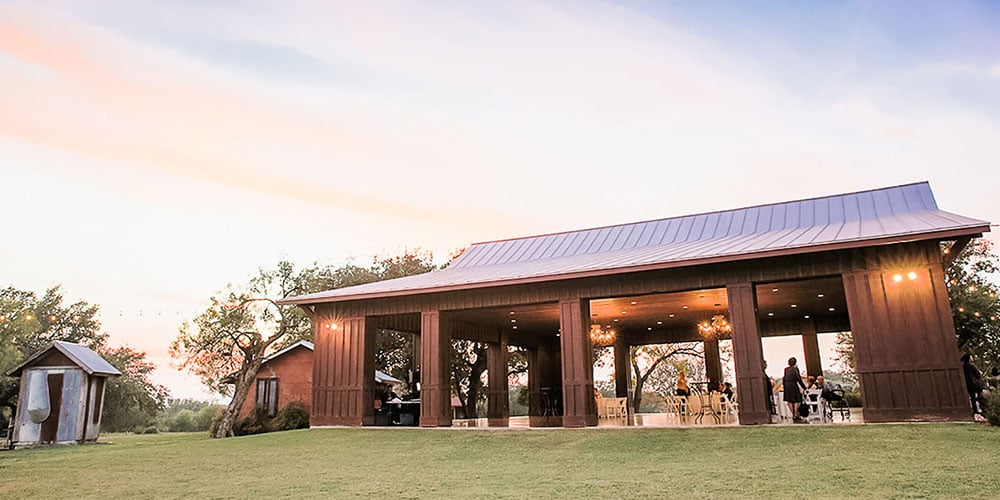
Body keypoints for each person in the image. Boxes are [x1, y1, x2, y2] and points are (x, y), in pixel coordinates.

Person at [783, 357, 807, 423]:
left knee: (789, 400)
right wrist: (804, 387)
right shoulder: (795, 369)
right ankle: (796, 414)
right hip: (793, 384)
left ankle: (793, 414)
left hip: (787, 385)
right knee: (797, 399)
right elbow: (798, 379)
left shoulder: (786, 369)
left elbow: (784, 377)